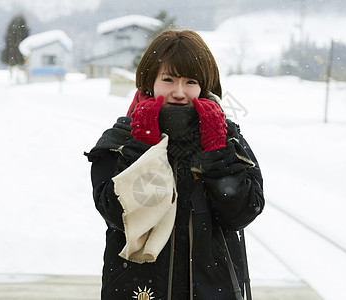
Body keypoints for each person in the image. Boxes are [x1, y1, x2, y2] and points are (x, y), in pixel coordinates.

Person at [85, 30, 264, 300]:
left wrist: (216, 150)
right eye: (168, 79)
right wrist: (144, 148)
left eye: (190, 81)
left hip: (213, 290)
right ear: (150, 82)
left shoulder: (227, 139)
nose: (179, 93)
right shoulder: (120, 141)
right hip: (138, 290)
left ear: (204, 86)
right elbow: (116, 213)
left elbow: (242, 212)